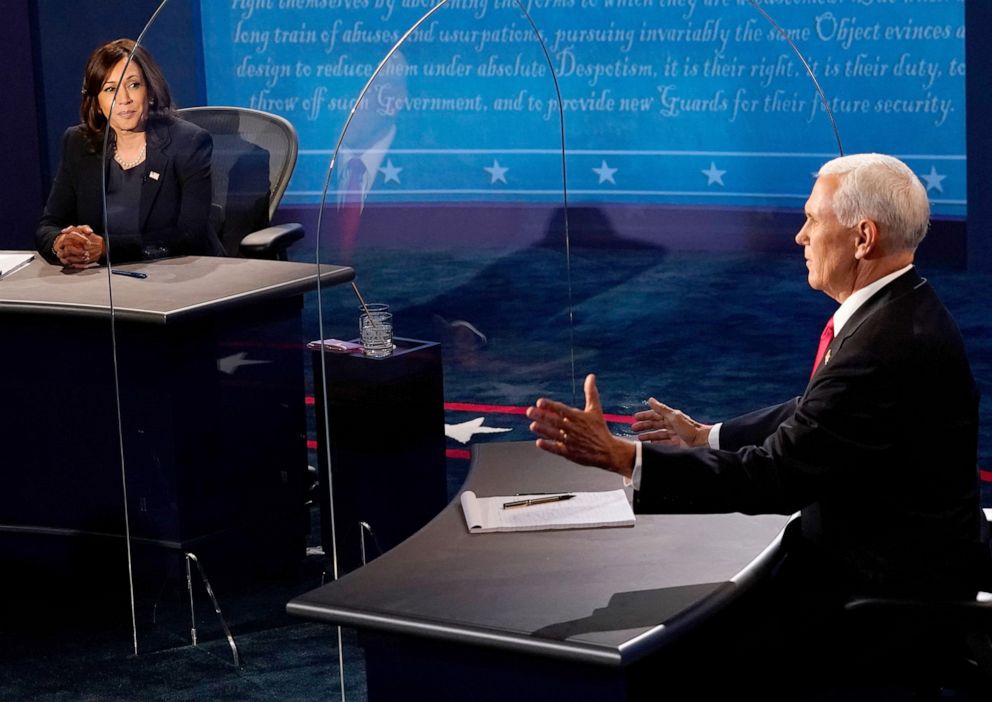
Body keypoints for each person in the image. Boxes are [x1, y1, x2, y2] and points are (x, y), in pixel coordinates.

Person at [527, 153, 989, 690]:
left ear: (863, 238)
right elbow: (815, 411)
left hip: (874, 589)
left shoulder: (885, 347)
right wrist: (707, 436)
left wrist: (623, 456)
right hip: (888, 553)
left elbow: (774, 476)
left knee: (674, 659)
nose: (800, 236)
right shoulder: (900, 307)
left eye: (813, 219)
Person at [36, 38, 223, 268]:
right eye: (110, 89)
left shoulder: (189, 142)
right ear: (96, 102)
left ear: (151, 91)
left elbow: (189, 237)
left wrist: (106, 248)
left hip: (181, 276)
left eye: (133, 85)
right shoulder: (78, 142)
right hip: (106, 285)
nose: (124, 99)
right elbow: (49, 224)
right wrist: (61, 243)